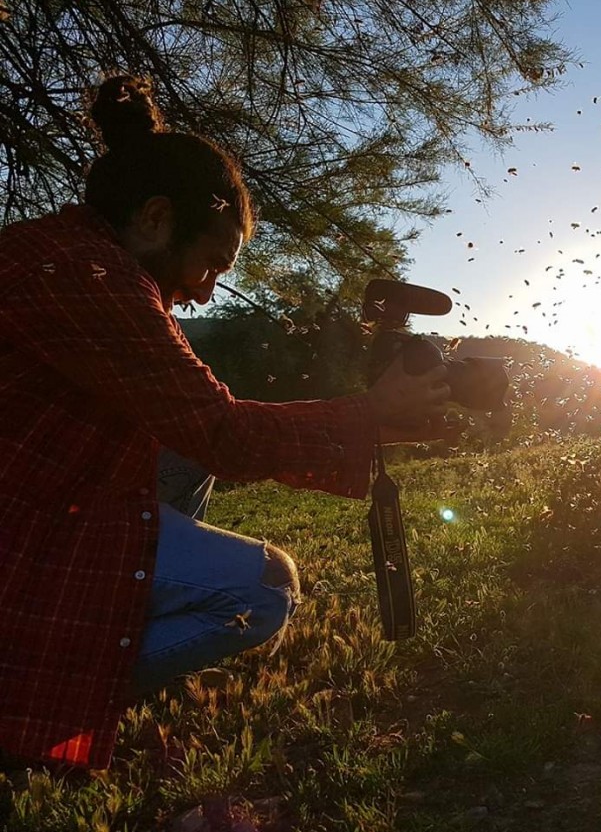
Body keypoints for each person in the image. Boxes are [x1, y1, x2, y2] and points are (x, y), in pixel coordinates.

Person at [0, 75, 453, 769]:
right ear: (155, 219)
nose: (208, 289)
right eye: (212, 262)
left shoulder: (68, 253)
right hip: (21, 520)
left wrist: (370, 422)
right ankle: (41, 693)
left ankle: (94, 636)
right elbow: (227, 432)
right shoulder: (90, 278)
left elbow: (200, 422)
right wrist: (372, 415)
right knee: (266, 586)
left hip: (37, 481)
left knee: (184, 456)